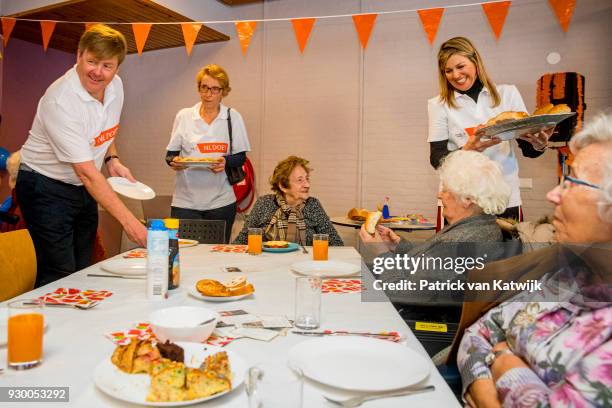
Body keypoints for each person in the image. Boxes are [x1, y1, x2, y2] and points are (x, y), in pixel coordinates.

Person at [454, 113, 612, 407]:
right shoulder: (565, 275)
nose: (552, 194)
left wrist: (503, 362)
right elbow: (476, 334)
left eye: (571, 182)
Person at [15, 24, 147, 287]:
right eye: (92, 61)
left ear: (117, 68)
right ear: (78, 55)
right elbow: (86, 172)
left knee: (83, 268)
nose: (98, 72)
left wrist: (112, 159)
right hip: (43, 186)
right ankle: (49, 325)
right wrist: (131, 224)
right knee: (59, 273)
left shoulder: (116, 87)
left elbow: (104, 129)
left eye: (107, 65)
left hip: (81, 185)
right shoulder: (60, 100)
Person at [360, 150, 511, 306]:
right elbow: (433, 262)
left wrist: (381, 253)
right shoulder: (480, 226)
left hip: (418, 319)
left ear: (467, 199)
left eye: (445, 190)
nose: (439, 195)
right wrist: (398, 245)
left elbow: (400, 293)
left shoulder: (460, 241)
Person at [428, 37, 554, 223]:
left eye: (461, 66)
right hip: (459, 202)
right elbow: (437, 159)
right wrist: (467, 150)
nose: (456, 75)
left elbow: (528, 149)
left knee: (509, 252)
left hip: (504, 196)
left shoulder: (508, 94)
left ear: (475, 62)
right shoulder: (438, 104)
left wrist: (540, 145)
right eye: (448, 70)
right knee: (461, 253)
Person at [166, 64, 250, 243]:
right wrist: (176, 161)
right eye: (204, 87)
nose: (209, 94)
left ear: (223, 92)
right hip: (185, 203)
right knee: (186, 254)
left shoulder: (232, 117)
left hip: (221, 202)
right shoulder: (185, 116)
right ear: (199, 89)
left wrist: (225, 162)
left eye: (215, 89)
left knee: (216, 255)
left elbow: (241, 157)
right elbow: (170, 155)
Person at [233, 156, 343, 246]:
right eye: (300, 180)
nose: (307, 185)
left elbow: (336, 243)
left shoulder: (313, 205)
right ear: (283, 186)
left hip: (305, 266)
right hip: (268, 265)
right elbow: (242, 240)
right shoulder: (264, 203)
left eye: (307, 179)